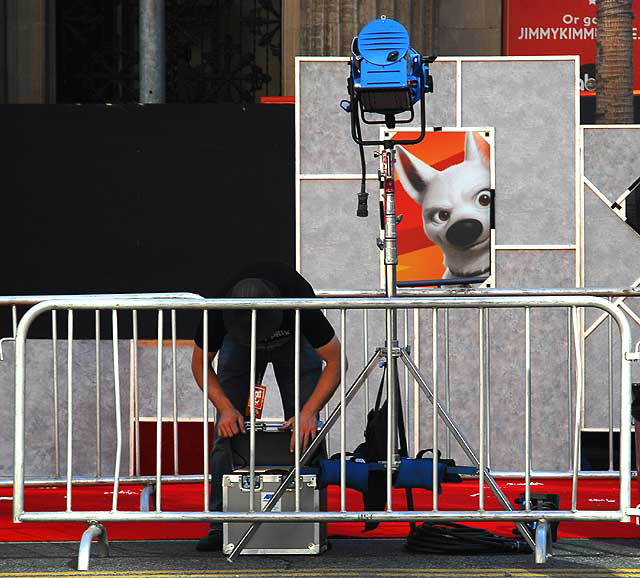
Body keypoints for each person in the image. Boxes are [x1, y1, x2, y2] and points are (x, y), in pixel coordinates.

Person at [191, 260, 343, 551]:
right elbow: (199, 364)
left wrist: (308, 413)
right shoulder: (218, 308)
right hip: (238, 347)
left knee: (307, 431)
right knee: (227, 432)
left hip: (294, 339)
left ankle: (311, 520)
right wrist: (225, 408)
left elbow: (336, 361)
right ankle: (221, 523)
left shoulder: (298, 298)